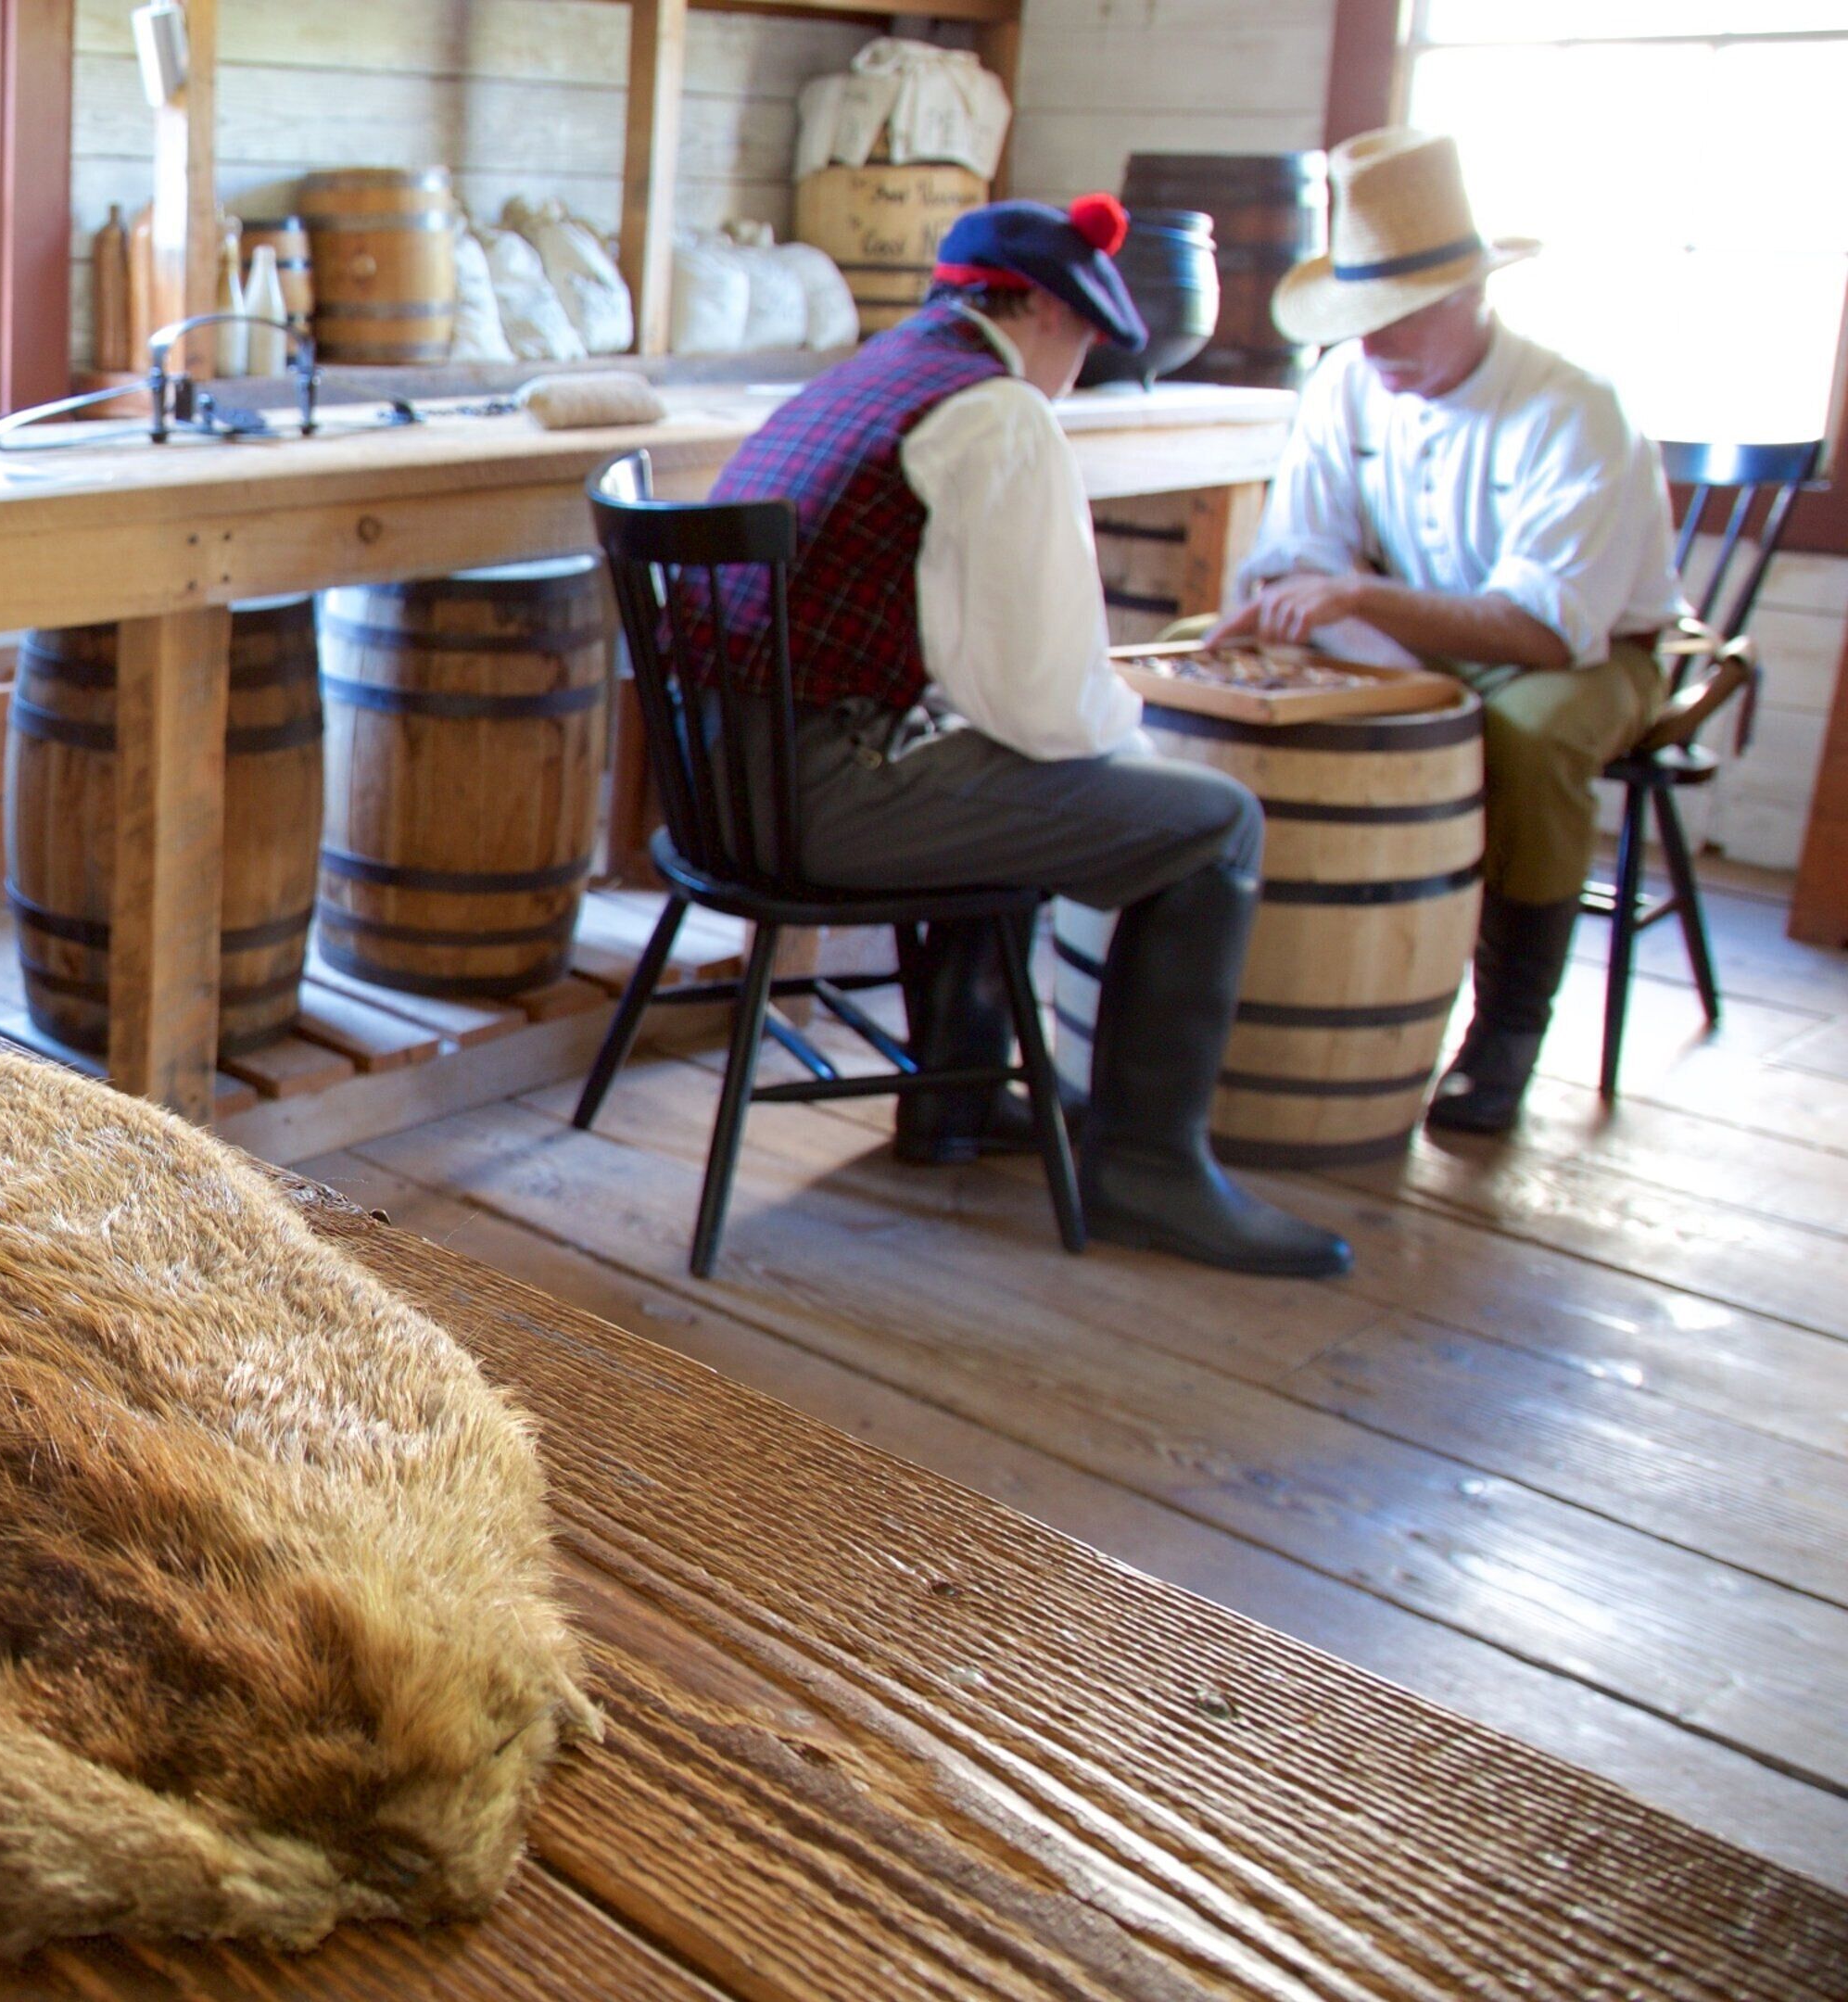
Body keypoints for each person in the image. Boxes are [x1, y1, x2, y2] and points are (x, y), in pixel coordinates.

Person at [701, 194, 1351, 1278]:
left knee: (995, 758)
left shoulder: (868, 376)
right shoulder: (994, 411)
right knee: (1212, 826)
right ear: (1044, 309)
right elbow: (1045, 701)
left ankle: (955, 1100)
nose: (1083, 361)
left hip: (725, 786)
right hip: (815, 801)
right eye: (1088, 334)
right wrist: (1137, 765)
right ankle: (1151, 1168)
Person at [1210, 128, 1683, 1134]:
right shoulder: (1348, 381)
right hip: (1407, 624)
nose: (1374, 343)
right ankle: (1268, 982)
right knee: (1217, 670)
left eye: (1401, 317)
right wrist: (1300, 623)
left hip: (1587, 649)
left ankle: (1506, 1031)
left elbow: (1548, 632)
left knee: (1531, 735)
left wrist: (1363, 606)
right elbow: (1302, 550)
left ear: (1475, 294)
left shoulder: (1572, 409)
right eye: (1360, 317)